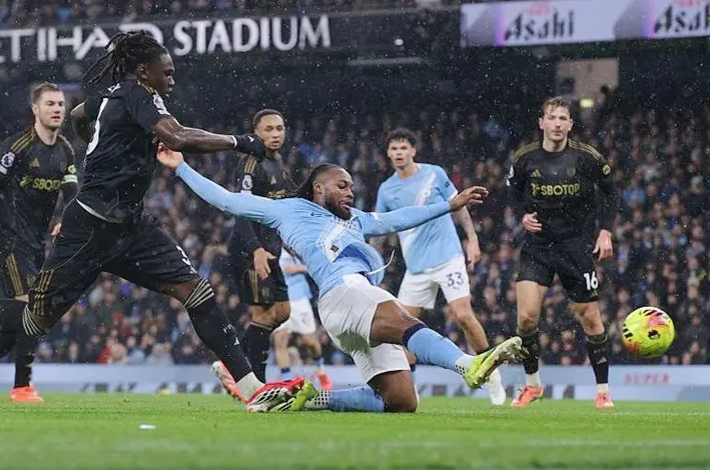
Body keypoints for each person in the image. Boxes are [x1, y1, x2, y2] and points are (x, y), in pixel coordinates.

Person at [0, 31, 302, 413]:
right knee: (33, 319)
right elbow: (178, 137)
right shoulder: (137, 93)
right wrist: (240, 141)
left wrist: (113, 137)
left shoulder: (114, 97)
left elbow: (82, 117)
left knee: (197, 293)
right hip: (90, 228)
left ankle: (254, 389)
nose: (172, 79)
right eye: (165, 72)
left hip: (132, 227)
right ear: (142, 71)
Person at [159, 148, 525, 413]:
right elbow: (227, 201)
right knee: (402, 318)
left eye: (351, 187)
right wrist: (182, 168)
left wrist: (449, 205)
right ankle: (469, 365)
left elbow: (399, 218)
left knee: (400, 400)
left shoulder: (357, 220)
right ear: (320, 188)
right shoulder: (287, 209)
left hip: (352, 305)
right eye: (342, 185)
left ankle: (311, 400)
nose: (351, 192)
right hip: (343, 292)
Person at [0, 83, 78, 403]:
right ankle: (22, 387)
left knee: (24, 318)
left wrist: (66, 218)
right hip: (9, 238)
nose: (57, 109)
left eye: (61, 104)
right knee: (30, 309)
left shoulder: (66, 150)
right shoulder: (19, 146)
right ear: (35, 110)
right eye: (50, 103)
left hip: (37, 244)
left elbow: (71, 193)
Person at [376, 128, 506, 405]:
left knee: (462, 315)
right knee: (401, 328)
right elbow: (380, 227)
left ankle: (492, 375)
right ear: (388, 153)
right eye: (394, 148)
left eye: (403, 147)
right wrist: (373, 262)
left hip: (448, 257)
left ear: (413, 150)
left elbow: (459, 206)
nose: (399, 153)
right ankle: (408, 390)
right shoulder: (386, 190)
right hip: (416, 268)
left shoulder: (434, 173)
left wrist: (472, 239)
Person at [506, 97, 620, 409]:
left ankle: (603, 391)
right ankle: (532, 385)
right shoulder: (525, 159)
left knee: (589, 318)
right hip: (538, 246)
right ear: (541, 123)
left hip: (575, 246)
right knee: (527, 318)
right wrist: (521, 215)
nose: (557, 124)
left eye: (563, 118)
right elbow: (512, 192)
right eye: (552, 118)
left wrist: (605, 230)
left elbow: (611, 191)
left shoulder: (587, 157)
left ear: (571, 124)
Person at [212, 109, 293, 392]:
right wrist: (256, 249)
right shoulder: (249, 163)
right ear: (256, 133)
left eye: (279, 129)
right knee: (261, 316)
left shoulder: (279, 162)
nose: (275, 134)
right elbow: (242, 213)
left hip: (271, 249)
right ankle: (257, 384)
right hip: (250, 250)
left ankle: (229, 364)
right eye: (268, 129)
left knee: (282, 311)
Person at [271, 247, 332, 390]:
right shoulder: (269, 243)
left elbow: (317, 263)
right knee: (280, 339)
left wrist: (298, 268)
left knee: (309, 340)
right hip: (279, 298)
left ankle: (321, 370)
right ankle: (287, 382)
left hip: (298, 296)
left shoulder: (295, 243)